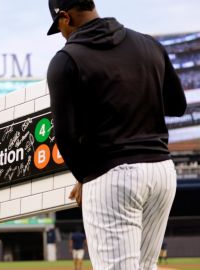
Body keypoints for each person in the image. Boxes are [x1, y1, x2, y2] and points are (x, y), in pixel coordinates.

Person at [45, 0, 187, 269]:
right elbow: (178, 106)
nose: (62, 34)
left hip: (112, 176)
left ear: (65, 17)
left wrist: (84, 177)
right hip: (162, 172)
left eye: (60, 27)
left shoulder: (66, 59)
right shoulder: (149, 44)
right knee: (145, 267)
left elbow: (65, 135)